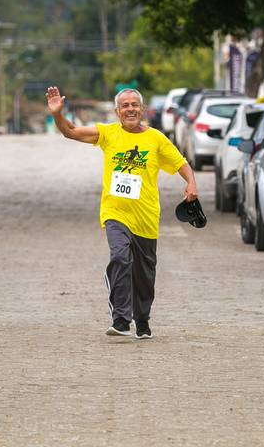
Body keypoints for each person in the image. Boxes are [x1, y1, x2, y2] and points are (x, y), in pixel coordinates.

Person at [46, 86, 198, 339]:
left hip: (146, 217)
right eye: (125, 106)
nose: (130, 109)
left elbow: (181, 163)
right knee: (120, 257)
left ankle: (142, 320)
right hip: (115, 213)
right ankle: (120, 319)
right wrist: (57, 114)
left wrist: (191, 183)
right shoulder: (108, 133)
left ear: (142, 109)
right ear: (117, 112)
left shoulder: (156, 139)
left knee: (145, 276)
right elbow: (71, 131)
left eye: (134, 105)